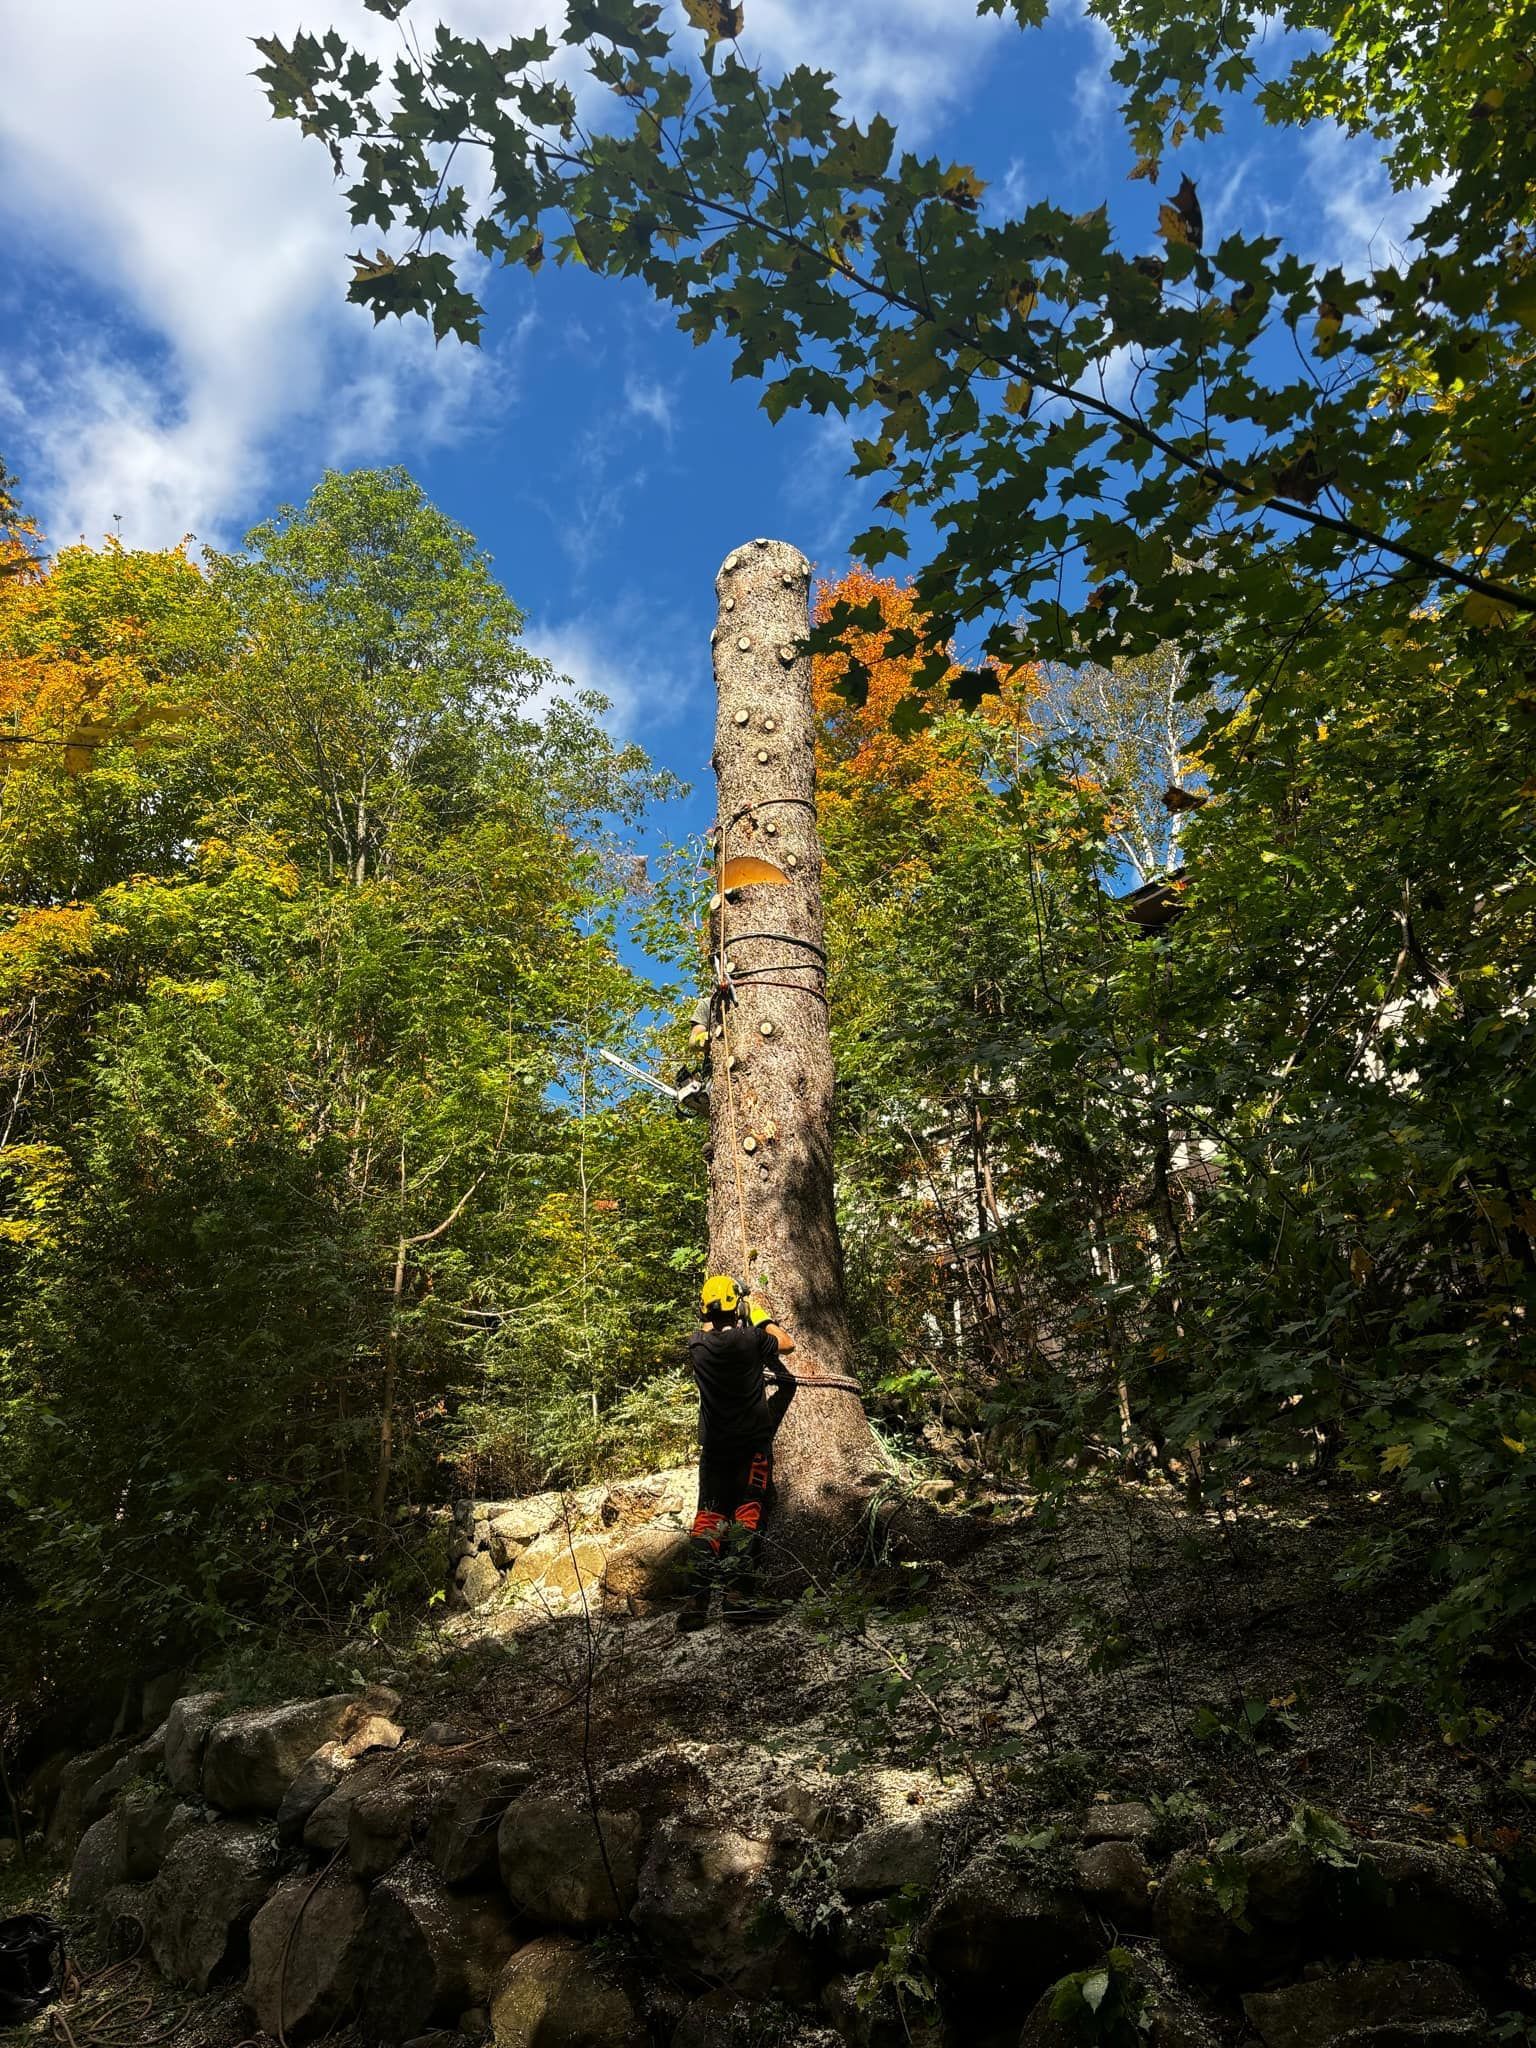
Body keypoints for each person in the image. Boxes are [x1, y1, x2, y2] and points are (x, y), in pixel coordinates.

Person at [680, 1274, 797, 1631]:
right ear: (738, 1308)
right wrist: (757, 1312)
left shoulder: (697, 1345)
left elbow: (708, 1323)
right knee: (747, 1516)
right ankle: (737, 1600)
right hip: (751, 1448)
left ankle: (696, 1601)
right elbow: (787, 1344)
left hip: (715, 1450)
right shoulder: (751, 1340)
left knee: (708, 1519)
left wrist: (725, 1306)